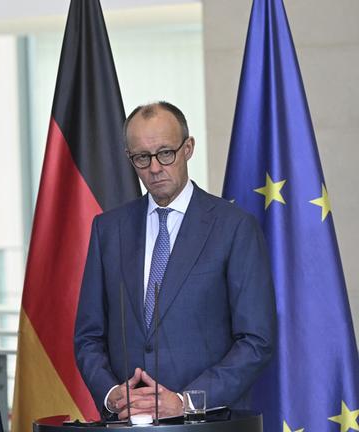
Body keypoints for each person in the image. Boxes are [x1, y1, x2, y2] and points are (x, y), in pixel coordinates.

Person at [74, 102, 276, 420]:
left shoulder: (234, 227)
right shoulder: (109, 229)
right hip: (127, 424)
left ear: (188, 148)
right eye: (142, 157)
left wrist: (186, 402)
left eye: (165, 153)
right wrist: (113, 396)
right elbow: (88, 335)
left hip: (207, 423)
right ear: (130, 159)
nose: (155, 168)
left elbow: (256, 340)